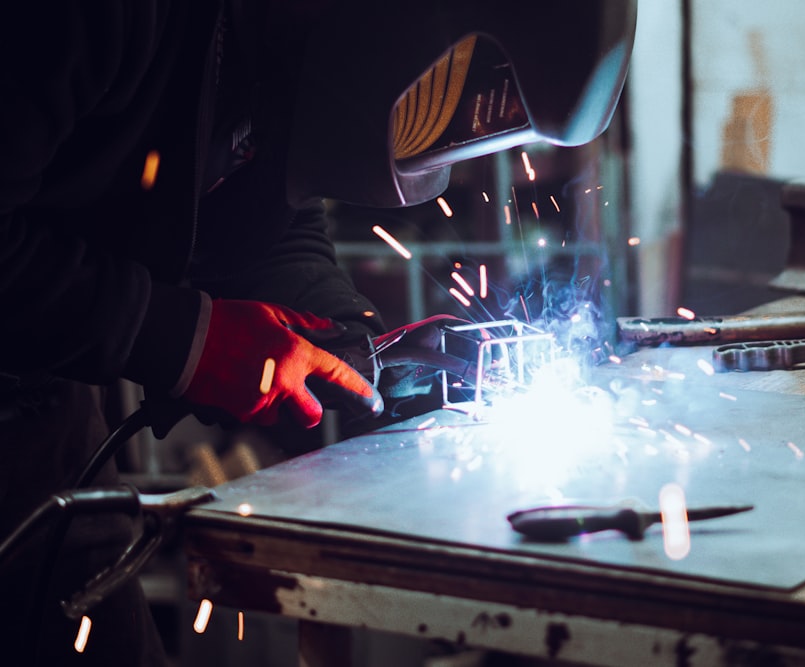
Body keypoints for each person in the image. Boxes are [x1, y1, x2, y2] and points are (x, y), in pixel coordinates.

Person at [0, 1, 635, 664]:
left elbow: (273, 223)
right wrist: (192, 342)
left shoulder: (271, 49)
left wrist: (357, 338)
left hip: (48, 408)